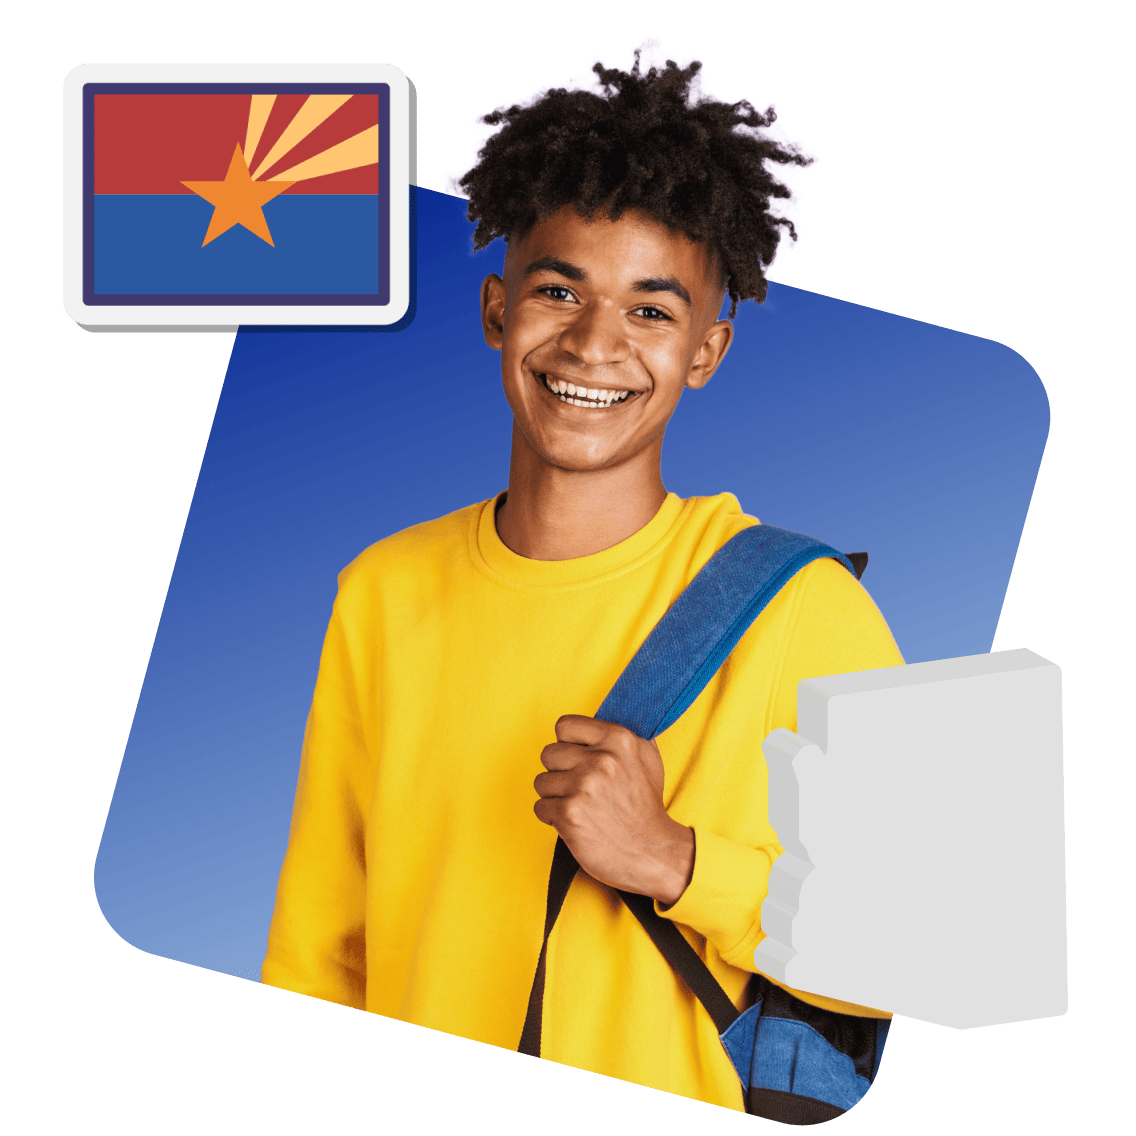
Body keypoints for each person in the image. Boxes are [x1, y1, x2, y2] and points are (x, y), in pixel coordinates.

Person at [261, 39, 903, 1112]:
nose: (595, 343)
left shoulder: (801, 605)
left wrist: (673, 860)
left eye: (652, 309)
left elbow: (919, 943)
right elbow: (320, 944)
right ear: (495, 312)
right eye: (559, 290)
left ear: (705, 352)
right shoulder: (381, 588)